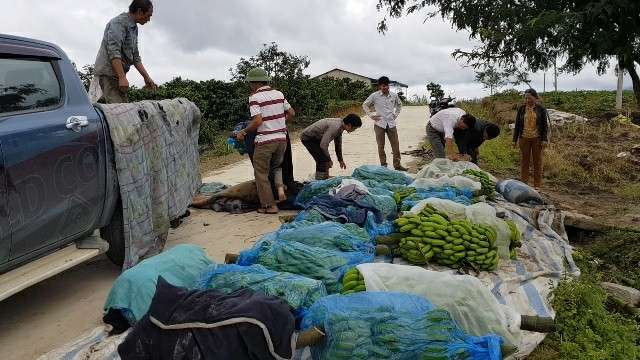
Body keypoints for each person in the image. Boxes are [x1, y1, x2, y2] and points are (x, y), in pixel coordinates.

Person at [236, 68, 295, 214]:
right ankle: (280, 190)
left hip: (265, 141)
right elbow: (292, 113)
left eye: (250, 83)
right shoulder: (279, 94)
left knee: (261, 173)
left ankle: (269, 206)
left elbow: (257, 121)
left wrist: (243, 132)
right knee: (276, 167)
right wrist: (280, 122)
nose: (250, 86)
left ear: (254, 83)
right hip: (281, 139)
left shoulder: (254, 98)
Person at [93, 0, 156, 104]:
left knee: (120, 108)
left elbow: (135, 57)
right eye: (148, 15)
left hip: (118, 75)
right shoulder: (119, 23)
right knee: (119, 110)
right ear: (140, 11)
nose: (149, 19)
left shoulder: (134, 27)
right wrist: (122, 77)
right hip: (108, 74)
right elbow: (113, 51)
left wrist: (146, 77)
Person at [362, 76, 407, 171]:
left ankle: (397, 165)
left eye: (386, 86)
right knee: (381, 146)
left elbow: (399, 105)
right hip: (379, 124)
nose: (384, 88)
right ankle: (383, 166)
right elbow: (365, 104)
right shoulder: (374, 96)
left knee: (396, 145)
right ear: (379, 86)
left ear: (388, 86)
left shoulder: (394, 96)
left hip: (391, 124)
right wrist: (371, 115)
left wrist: (396, 114)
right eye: (382, 86)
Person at [300, 114, 362, 180]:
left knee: (325, 160)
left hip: (317, 138)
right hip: (308, 138)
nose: (354, 130)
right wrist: (328, 159)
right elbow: (323, 145)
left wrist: (340, 160)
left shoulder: (341, 126)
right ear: (349, 125)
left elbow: (338, 144)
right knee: (322, 161)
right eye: (354, 128)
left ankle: (325, 178)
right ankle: (318, 182)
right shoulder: (336, 127)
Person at [513, 88, 550, 190]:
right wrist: (514, 140)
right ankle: (524, 183)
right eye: (526, 98)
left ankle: (537, 185)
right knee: (525, 161)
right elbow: (517, 125)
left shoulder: (541, 109)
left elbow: (544, 125)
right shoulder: (521, 109)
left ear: (535, 97)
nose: (527, 100)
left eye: (529, 98)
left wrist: (544, 139)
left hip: (537, 138)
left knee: (537, 162)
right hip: (524, 138)